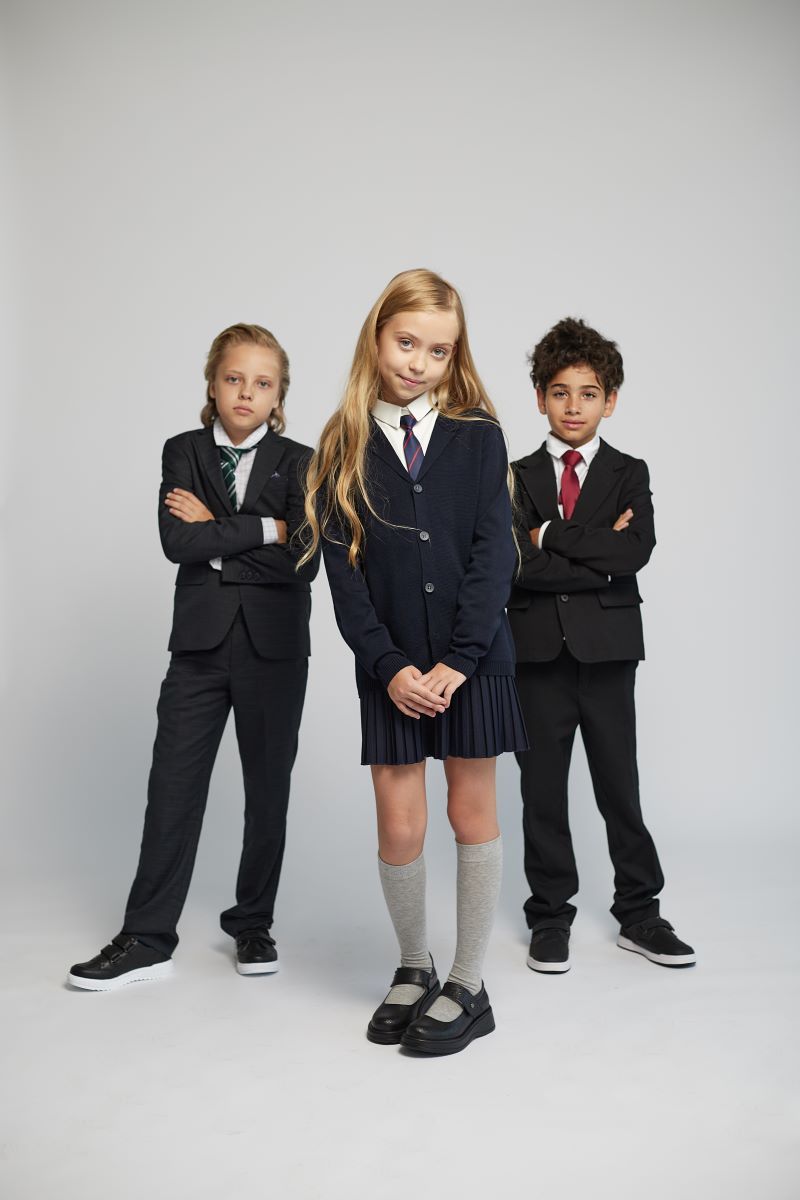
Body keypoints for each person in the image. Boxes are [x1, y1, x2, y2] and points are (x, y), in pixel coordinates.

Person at [302, 268, 526, 1055]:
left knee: (471, 812)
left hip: (474, 662)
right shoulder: (341, 445)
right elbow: (344, 579)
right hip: (390, 669)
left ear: (455, 356)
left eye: (439, 351)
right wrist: (389, 665)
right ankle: (413, 966)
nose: (419, 362)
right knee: (399, 823)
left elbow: (495, 554)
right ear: (377, 335)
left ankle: (468, 982)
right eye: (407, 342)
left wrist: (461, 659)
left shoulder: (478, 436)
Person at [68, 323, 318, 990]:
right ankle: (148, 936)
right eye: (234, 378)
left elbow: (306, 560)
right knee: (172, 788)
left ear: (279, 395)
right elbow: (177, 543)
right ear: (212, 383)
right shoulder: (183, 451)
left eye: (262, 383)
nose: (246, 392)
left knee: (268, 792)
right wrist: (266, 527)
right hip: (199, 649)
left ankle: (253, 923)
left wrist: (219, 534)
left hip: (275, 650)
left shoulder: (302, 461)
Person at [508, 316, 695, 972]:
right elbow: (512, 565)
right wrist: (595, 556)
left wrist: (550, 535)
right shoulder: (513, 477)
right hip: (536, 654)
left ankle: (639, 914)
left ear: (609, 401)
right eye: (560, 392)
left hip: (609, 652)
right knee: (542, 793)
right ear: (540, 397)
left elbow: (633, 553)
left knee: (620, 786)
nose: (574, 406)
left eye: (588, 394)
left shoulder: (627, 472)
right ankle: (549, 916)